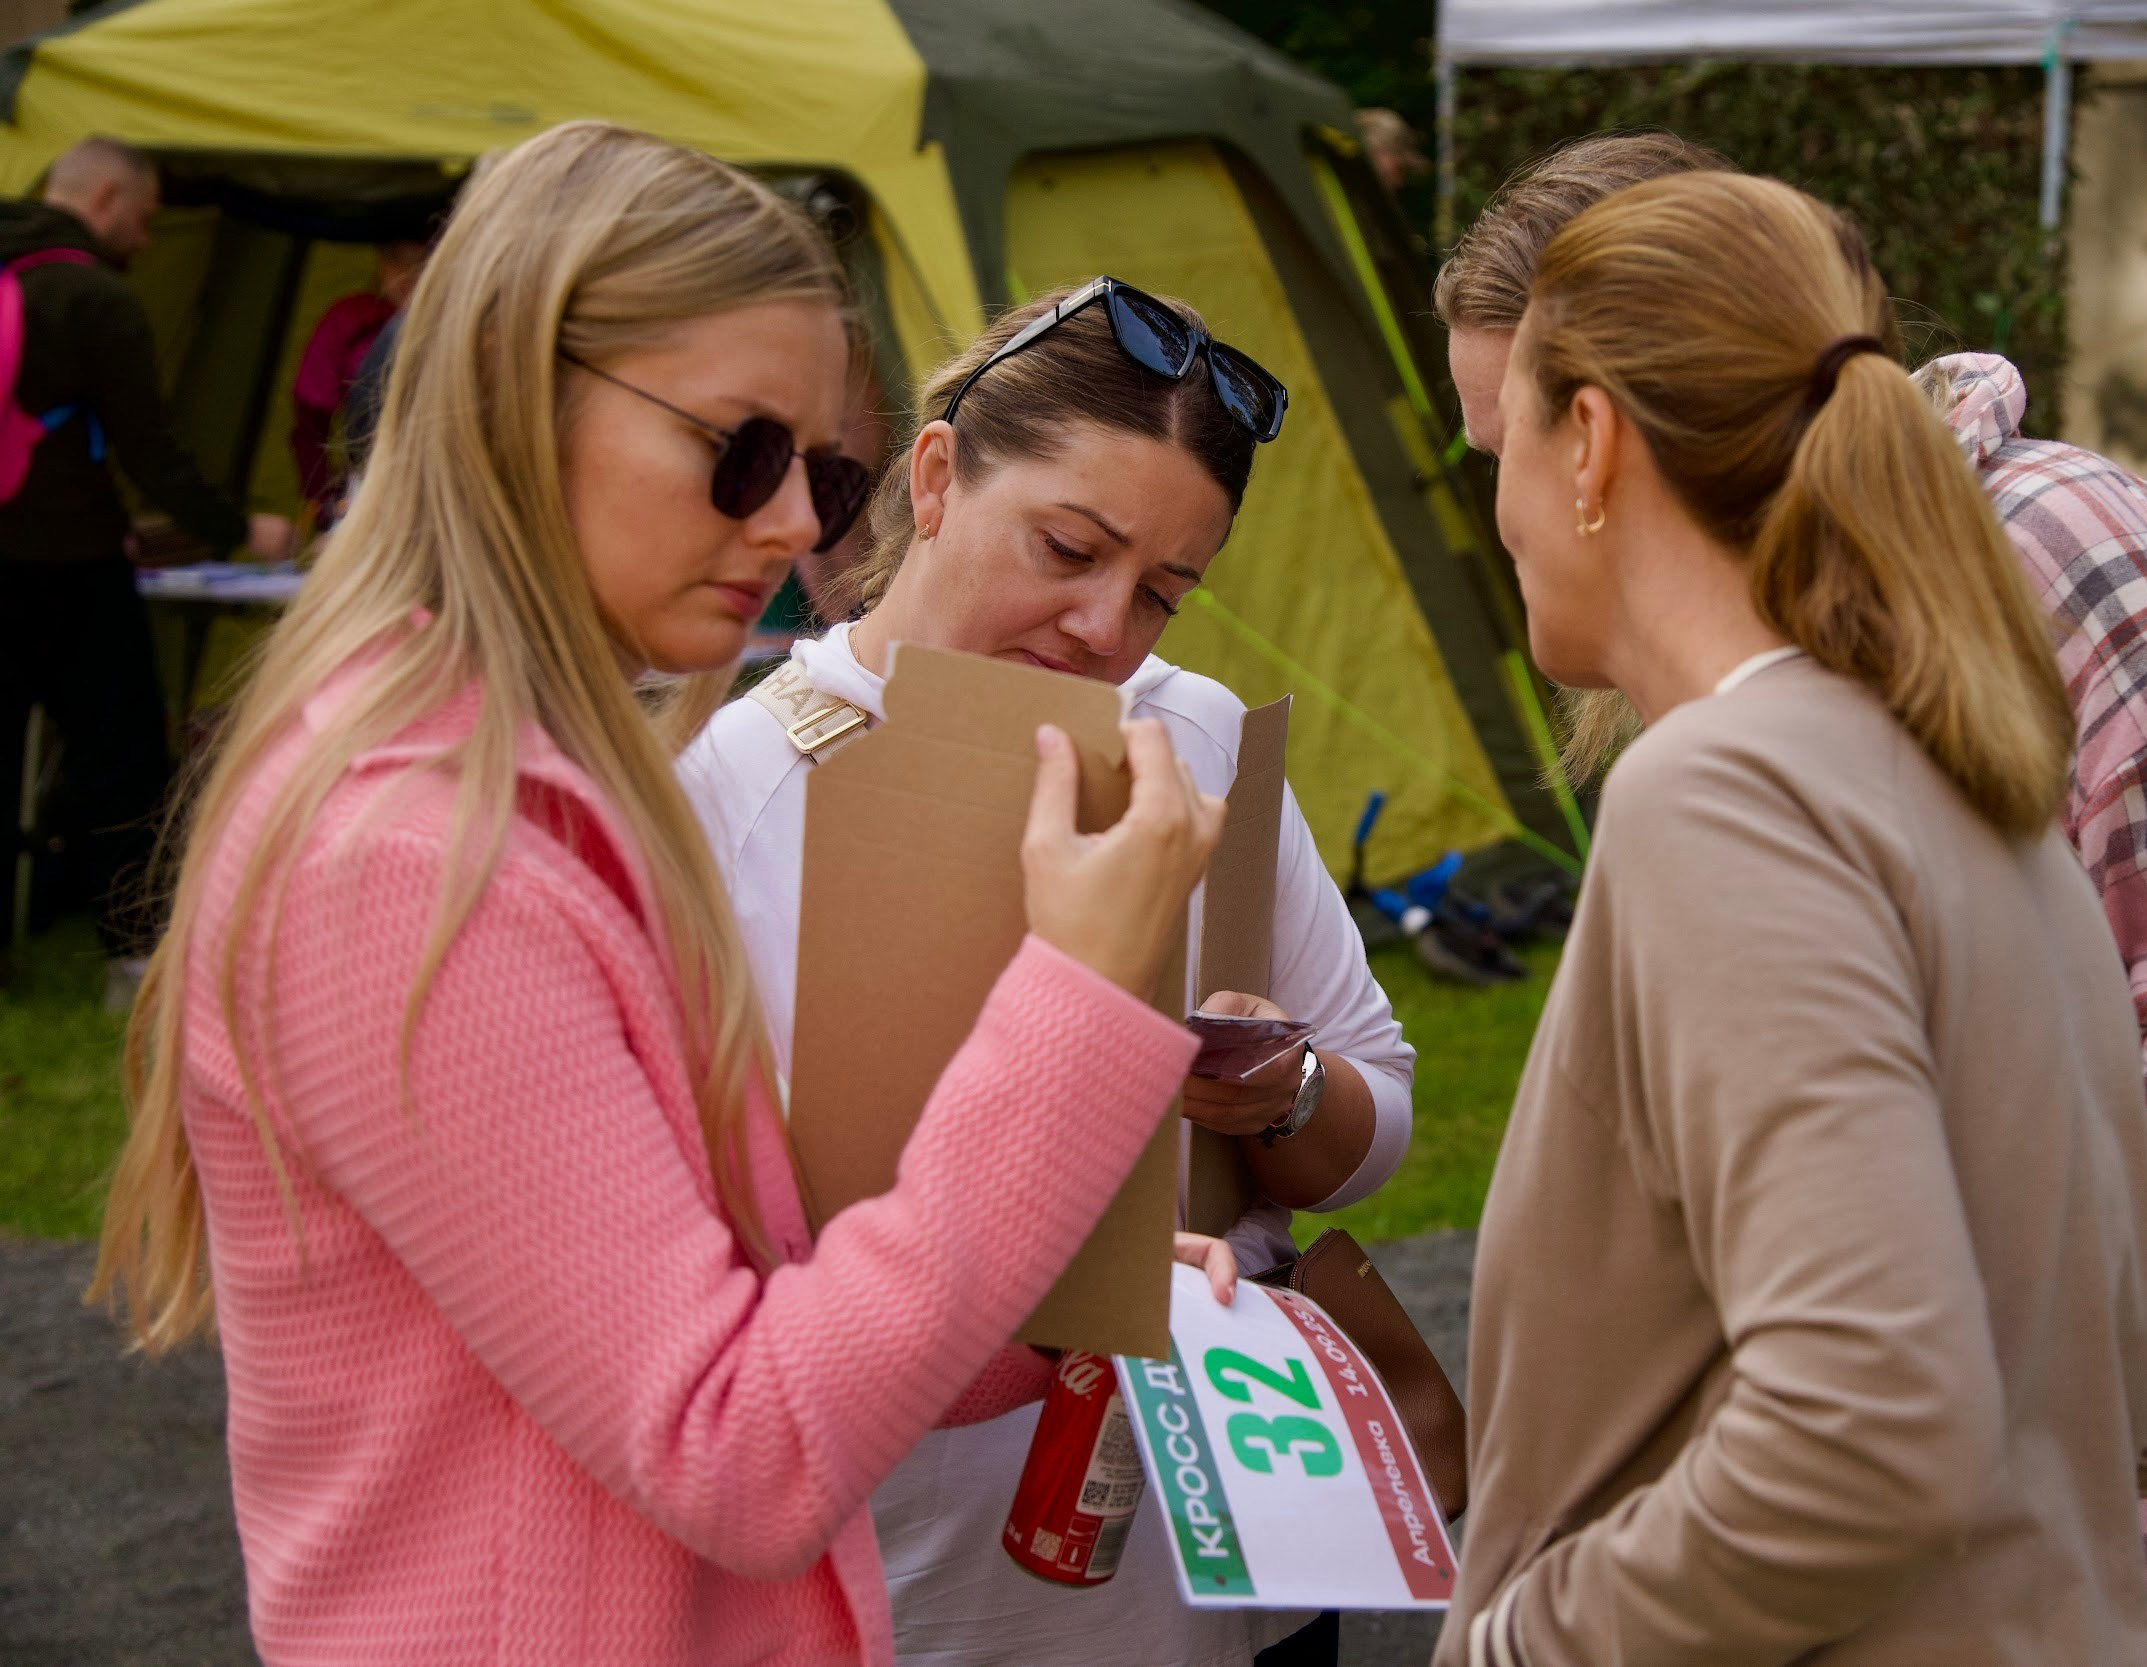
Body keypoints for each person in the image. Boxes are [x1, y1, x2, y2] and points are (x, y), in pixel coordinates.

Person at [86, 120, 1236, 1667]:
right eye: (742, 450)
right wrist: (1082, 997)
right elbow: (737, 1449)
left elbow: (720, 1304)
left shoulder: (538, 791)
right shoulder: (409, 863)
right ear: (522, 397)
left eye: (823, 470)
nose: (793, 530)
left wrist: (1033, 1309)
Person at [1441, 132, 2147, 1666]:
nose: (1503, 511)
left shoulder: (2024, 574)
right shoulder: (1934, 738)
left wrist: (1534, 1628)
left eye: (1505, 449)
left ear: (1596, 438)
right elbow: (2143, 1375)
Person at [676, 277, 1413, 1667]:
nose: (1103, 627)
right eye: (1067, 546)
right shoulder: (730, 794)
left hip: (1212, 1574)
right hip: (916, 1588)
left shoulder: (1184, 733)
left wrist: (1278, 1091)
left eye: (1165, 592)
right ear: (939, 476)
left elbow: (1374, 1111)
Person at [0, 135, 292, 1002]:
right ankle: (136, 957)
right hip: (67, 564)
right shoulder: (95, 299)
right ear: (107, 198)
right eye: (147, 215)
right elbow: (150, 451)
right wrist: (241, 527)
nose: (148, 238)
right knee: (121, 759)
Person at [288, 237, 426, 522]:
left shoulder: (475, 330)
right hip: (369, 496)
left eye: (420, 262)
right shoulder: (348, 321)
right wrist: (325, 509)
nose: (406, 275)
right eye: (396, 259)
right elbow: (310, 426)